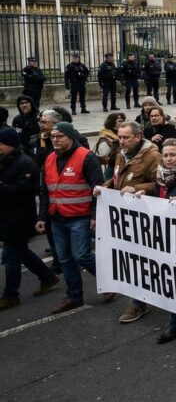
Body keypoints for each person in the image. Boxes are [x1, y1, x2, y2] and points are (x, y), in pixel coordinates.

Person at [128, 138, 176, 344]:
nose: (169, 159)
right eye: (166, 155)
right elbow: (158, 194)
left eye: (173, 155)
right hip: (164, 237)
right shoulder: (161, 176)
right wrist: (142, 192)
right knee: (172, 281)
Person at [37, 122, 111, 314]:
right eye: (53, 136)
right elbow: (45, 190)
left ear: (71, 137)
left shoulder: (86, 157)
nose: (55, 140)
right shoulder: (50, 158)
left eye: (59, 136)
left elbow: (98, 189)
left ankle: (108, 283)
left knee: (82, 255)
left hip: (80, 216)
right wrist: (42, 217)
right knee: (65, 259)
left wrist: (95, 216)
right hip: (57, 217)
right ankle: (74, 296)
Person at [102, 120, 161, 325]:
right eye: (120, 137)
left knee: (143, 261)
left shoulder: (152, 156)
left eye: (126, 137)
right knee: (132, 259)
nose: (122, 141)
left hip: (144, 217)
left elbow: (160, 183)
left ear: (138, 136)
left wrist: (138, 188)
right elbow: (119, 178)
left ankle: (139, 302)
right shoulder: (121, 154)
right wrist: (107, 186)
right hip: (124, 216)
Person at [0, 127, 60, 310]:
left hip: (21, 218)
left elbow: (26, 190)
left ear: (10, 144)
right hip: (6, 216)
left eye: (1, 144)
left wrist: (1, 186)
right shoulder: (5, 160)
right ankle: (48, 277)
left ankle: (11, 294)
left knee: (11, 256)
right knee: (22, 252)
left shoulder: (25, 163)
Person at [94, 112, 125, 180]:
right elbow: (105, 158)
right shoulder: (105, 138)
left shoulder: (121, 135)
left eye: (123, 120)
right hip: (111, 170)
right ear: (113, 124)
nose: (123, 123)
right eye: (120, 121)